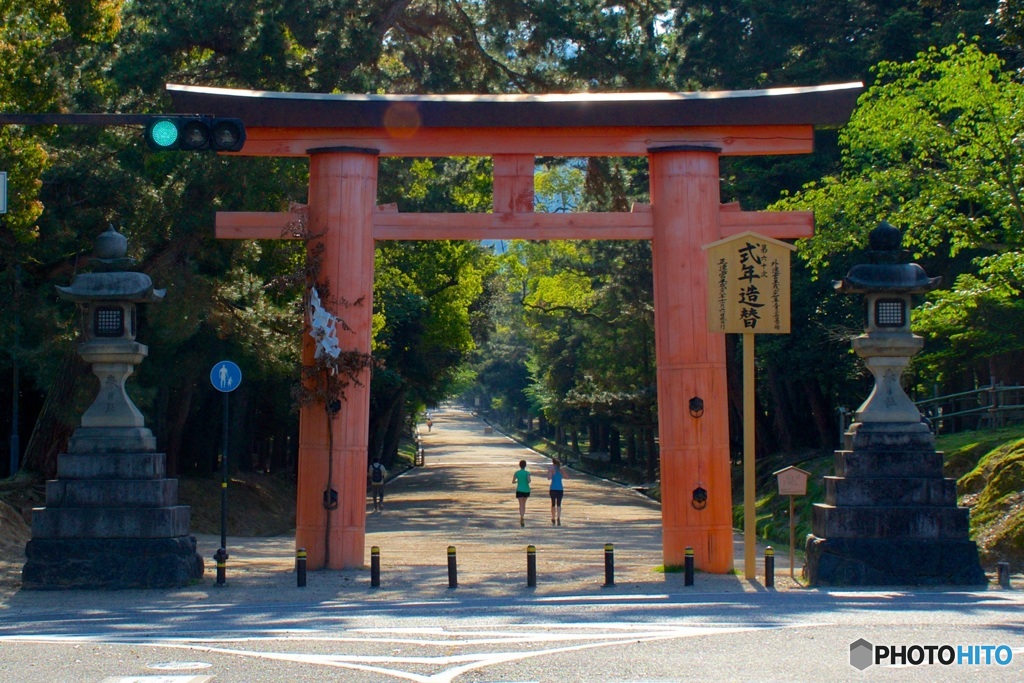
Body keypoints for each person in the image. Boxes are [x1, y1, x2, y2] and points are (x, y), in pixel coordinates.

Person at [512, 459, 531, 527]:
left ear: (519, 465)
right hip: (526, 489)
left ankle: (521, 517)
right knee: (524, 504)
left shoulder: (517, 472)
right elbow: (529, 481)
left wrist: (518, 481)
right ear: (525, 465)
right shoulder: (527, 473)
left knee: (520, 504)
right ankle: (522, 516)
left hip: (519, 489)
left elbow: (513, 481)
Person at [547, 458, 567, 526]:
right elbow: (567, 476)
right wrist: (562, 476)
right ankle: (558, 517)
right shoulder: (561, 469)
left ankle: (553, 518)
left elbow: (549, 478)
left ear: (553, 463)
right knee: (559, 504)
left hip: (553, 488)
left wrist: (549, 471)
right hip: (560, 488)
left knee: (553, 504)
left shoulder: (552, 469)